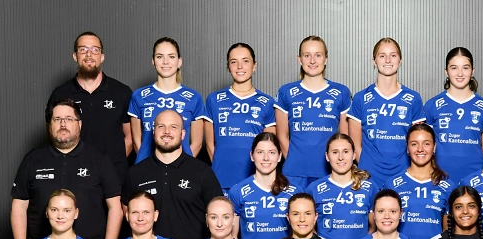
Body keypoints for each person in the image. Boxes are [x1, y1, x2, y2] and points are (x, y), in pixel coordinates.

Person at [11, 98, 122, 239]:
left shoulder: (99, 159)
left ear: (79, 124)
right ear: (50, 125)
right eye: (57, 119)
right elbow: (19, 206)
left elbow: (115, 207)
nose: (63, 124)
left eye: (69, 119)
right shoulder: (33, 159)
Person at [122, 109, 223, 239]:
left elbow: (219, 215)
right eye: (161, 126)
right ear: (153, 132)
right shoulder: (135, 173)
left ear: (183, 134)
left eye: (173, 127)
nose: (167, 132)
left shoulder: (202, 172)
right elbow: (128, 216)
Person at [47, 32, 133, 181]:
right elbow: (54, 135)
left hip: (114, 176)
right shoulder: (60, 94)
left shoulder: (121, 92)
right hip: (73, 176)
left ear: (102, 56)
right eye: (83, 49)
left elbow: (131, 136)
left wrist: (107, 166)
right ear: (75, 56)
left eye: (94, 49)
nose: (89, 54)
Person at [274, 36, 351, 189]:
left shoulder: (341, 92)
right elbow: (281, 135)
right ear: (299, 59)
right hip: (294, 172)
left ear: (326, 59)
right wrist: (295, 159)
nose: (312, 61)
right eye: (307, 55)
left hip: (330, 172)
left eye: (318, 55)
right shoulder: (286, 92)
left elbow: (345, 137)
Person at [348, 38, 426, 188]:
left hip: (404, 175)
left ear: (400, 60)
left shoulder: (413, 98)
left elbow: (418, 143)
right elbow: (354, 145)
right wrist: (366, 168)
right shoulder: (361, 98)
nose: (388, 60)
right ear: (374, 61)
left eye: (393, 55)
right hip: (369, 176)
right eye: (382, 55)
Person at [204, 43, 276, 197]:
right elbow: (210, 144)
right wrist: (222, 168)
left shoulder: (267, 102)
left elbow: (271, 147)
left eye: (245, 61)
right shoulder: (214, 99)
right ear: (228, 67)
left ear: (254, 65)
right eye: (234, 62)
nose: (239, 66)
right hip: (221, 179)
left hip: (255, 181)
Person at [424, 47, 483, 185]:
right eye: (454, 68)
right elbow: (424, 147)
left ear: (473, 71)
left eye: (465, 68)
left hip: (476, 181)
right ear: (446, 71)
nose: (460, 74)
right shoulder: (432, 105)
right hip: (439, 180)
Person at [129, 37, 208, 163]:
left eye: (171, 56)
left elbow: (197, 143)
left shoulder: (194, 97)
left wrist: (181, 167)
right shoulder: (139, 96)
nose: (165, 62)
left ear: (179, 61)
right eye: (160, 56)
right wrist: (148, 166)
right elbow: (137, 142)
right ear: (153, 61)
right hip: (147, 168)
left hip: (181, 169)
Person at [229, 132, 298, 239]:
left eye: (271, 152)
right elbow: (233, 238)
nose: (266, 158)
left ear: (279, 156)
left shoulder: (295, 191)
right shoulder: (238, 191)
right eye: (260, 152)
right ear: (252, 156)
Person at [307, 133, 375, 239]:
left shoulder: (369, 187)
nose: (340, 157)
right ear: (327, 156)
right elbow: (307, 227)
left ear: (354, 155)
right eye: (335, 152)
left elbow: (375, 227)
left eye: (345, 152)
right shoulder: (314, 189)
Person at [387, 123, 453, 239]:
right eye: (414, 144)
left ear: (434, 147)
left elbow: (447, 231)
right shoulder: (392, 185)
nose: (420, 149)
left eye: (426, 144)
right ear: (407, 148)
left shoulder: (448, 187)